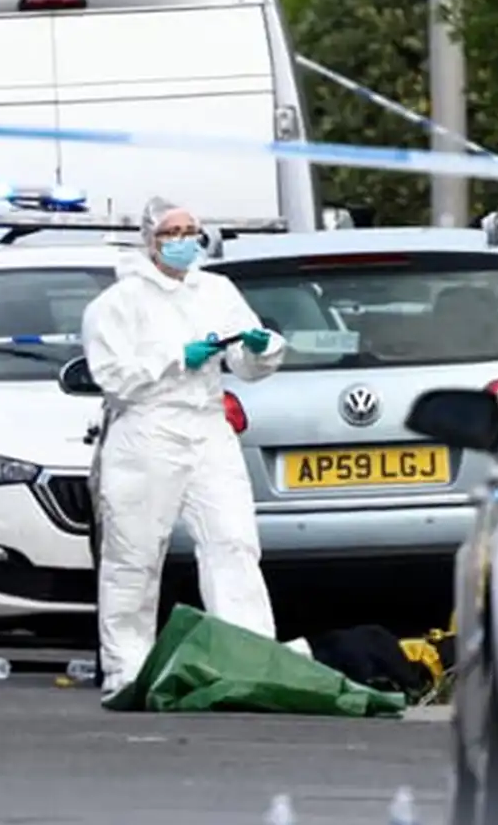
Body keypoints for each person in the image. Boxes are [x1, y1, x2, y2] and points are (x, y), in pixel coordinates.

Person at [80, 197, 285, 704]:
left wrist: (261, 348)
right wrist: (176, 360)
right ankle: (127, 668)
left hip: (208, 425)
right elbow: (112, 376)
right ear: (151, 240)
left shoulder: (216, 290)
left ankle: (251, 659)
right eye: (174, 231)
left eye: (193, 229)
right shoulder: (117, 303)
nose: (185, 239)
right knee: (134, 554)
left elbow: (246, 360)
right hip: (148, 430)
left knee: (233, 543)